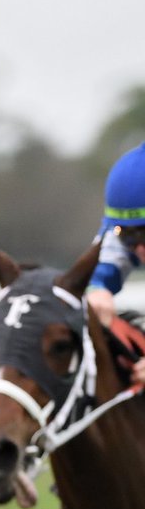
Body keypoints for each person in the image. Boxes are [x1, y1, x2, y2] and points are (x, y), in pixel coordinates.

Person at [86, 141, 145, 388]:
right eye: (129, 236)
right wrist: (96, 288)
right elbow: (100, 267)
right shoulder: (120, 225)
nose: (140, 250)